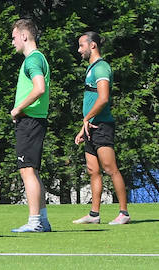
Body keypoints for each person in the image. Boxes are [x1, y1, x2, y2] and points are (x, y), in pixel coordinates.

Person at [71, 31, 130, 225]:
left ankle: (124, 213)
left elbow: (103, 98)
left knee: (110, 168)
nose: (79, 50)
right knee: (92, 169)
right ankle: (94, 215)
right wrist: (83, 126)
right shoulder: (91, 68)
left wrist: (87, 118)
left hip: (102, 125)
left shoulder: (101, 67)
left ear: (92, 46)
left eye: (81, 46)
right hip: (90, 126)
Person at [9, 19, 51, 233]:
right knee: (31, 171)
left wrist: (18, 109)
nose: (13, 41)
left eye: (14, 37)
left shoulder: (33, 60)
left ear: (25, 36)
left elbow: (39, 88)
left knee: (27, 171)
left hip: (30, 121)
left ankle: (34, 221)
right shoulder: (38, 58)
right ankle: (42, 220)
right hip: (35, 121)